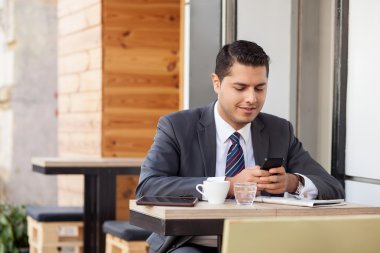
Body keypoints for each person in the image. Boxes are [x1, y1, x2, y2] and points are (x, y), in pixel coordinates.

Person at [136, 40, 345, 253]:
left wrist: (292, 183)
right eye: (240, 88)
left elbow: (333, 188)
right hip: (191, 244)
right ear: (216, 83)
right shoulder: (177, 127)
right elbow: (149, 186)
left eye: (260, 88)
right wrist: (228, 185)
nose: (252, 98)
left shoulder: (279, 130)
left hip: (261, 246)